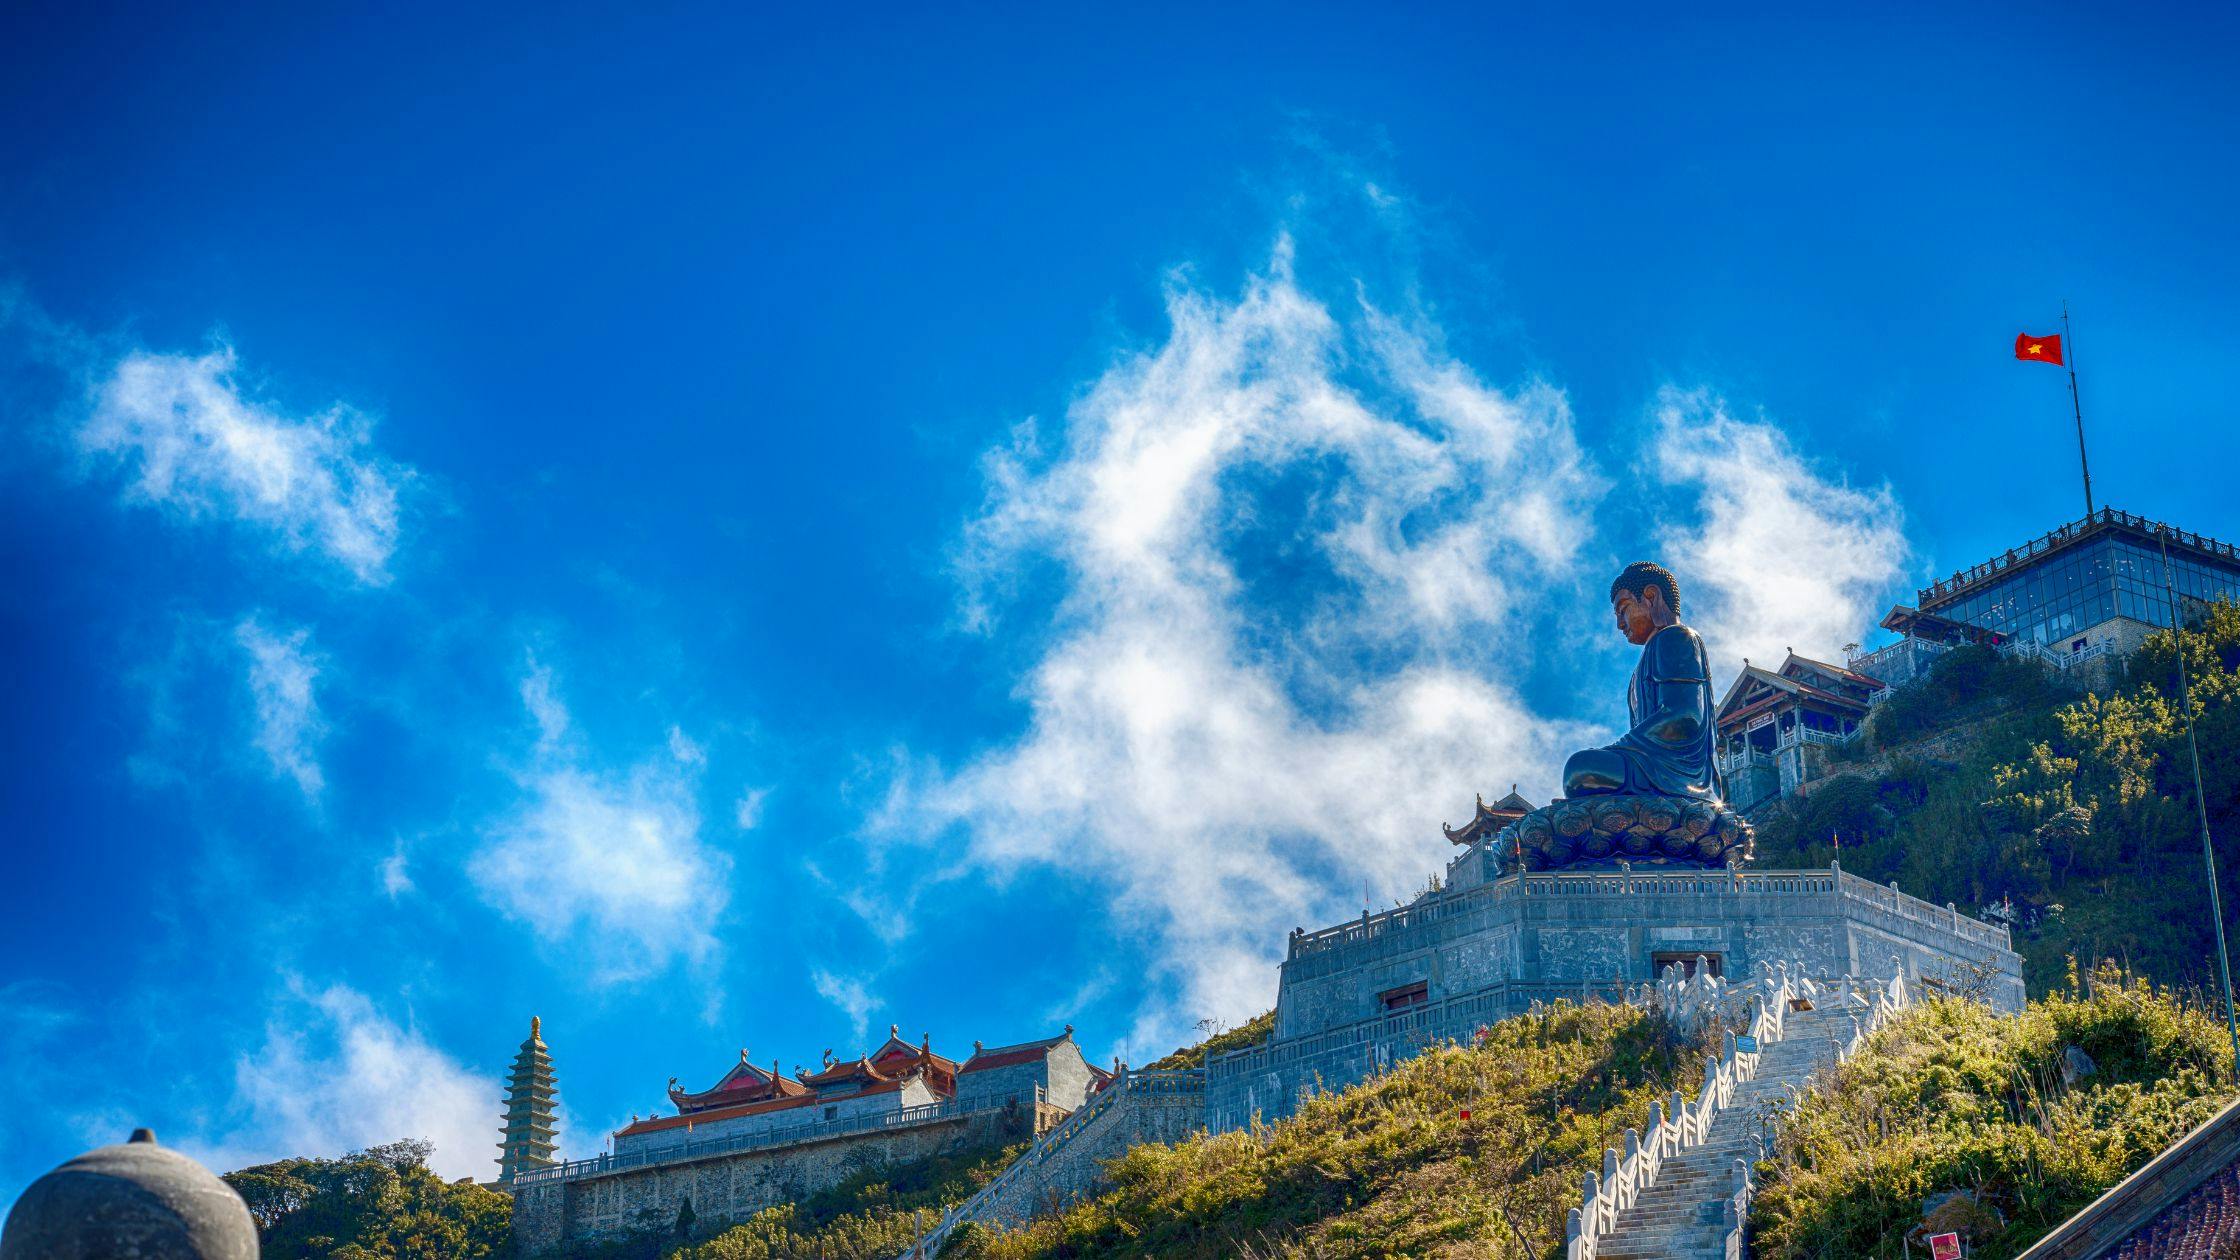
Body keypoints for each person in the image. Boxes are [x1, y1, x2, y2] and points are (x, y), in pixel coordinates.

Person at [1562, 561, 1723, 802]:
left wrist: (1618, 749)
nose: (1619, 624)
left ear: (1651, 597)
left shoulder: (1677, 637)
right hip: (1649, 767)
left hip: (1678, 774)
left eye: (1623, 609)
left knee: (1579, 769)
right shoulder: (1646, 659)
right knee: (1582, 775)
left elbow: (1686, 715)